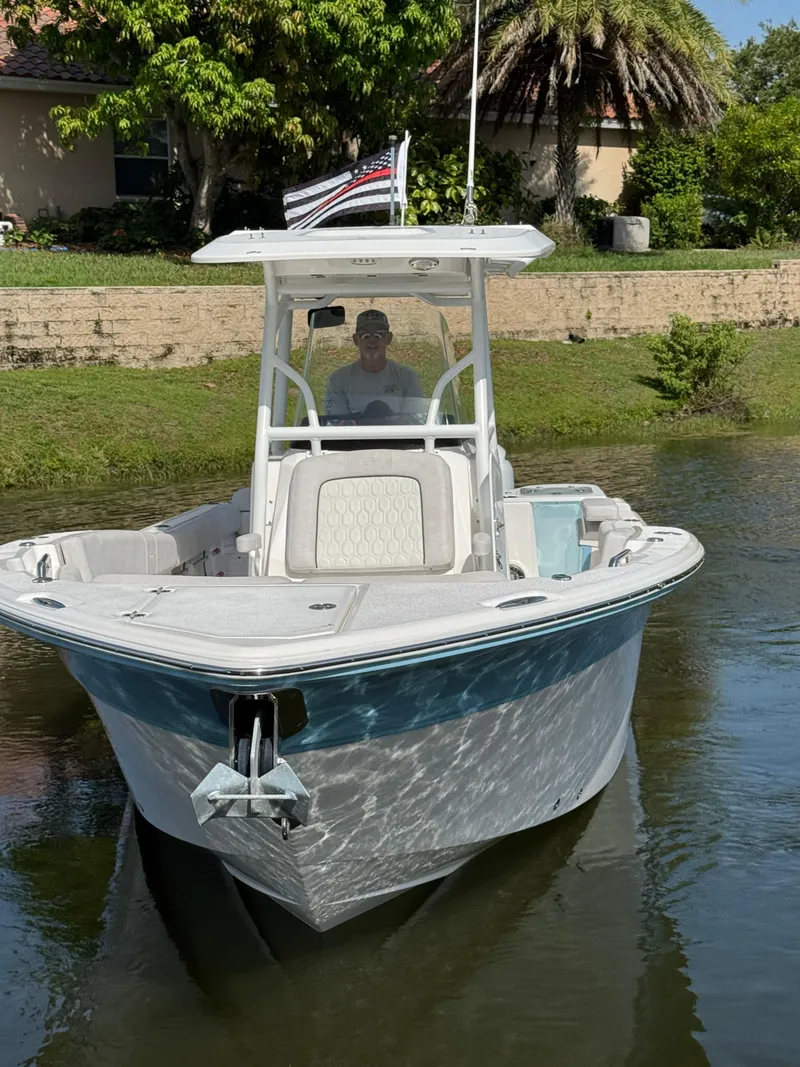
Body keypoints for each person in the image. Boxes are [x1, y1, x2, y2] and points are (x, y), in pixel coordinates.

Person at [324, 309, 424, 419]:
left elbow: (413, 421)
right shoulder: (338, 380)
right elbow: (337, 422)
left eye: (379, 334)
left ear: (389, 338)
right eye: (365, 335)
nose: (372, 340)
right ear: (355, 340)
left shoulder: (408, 377)